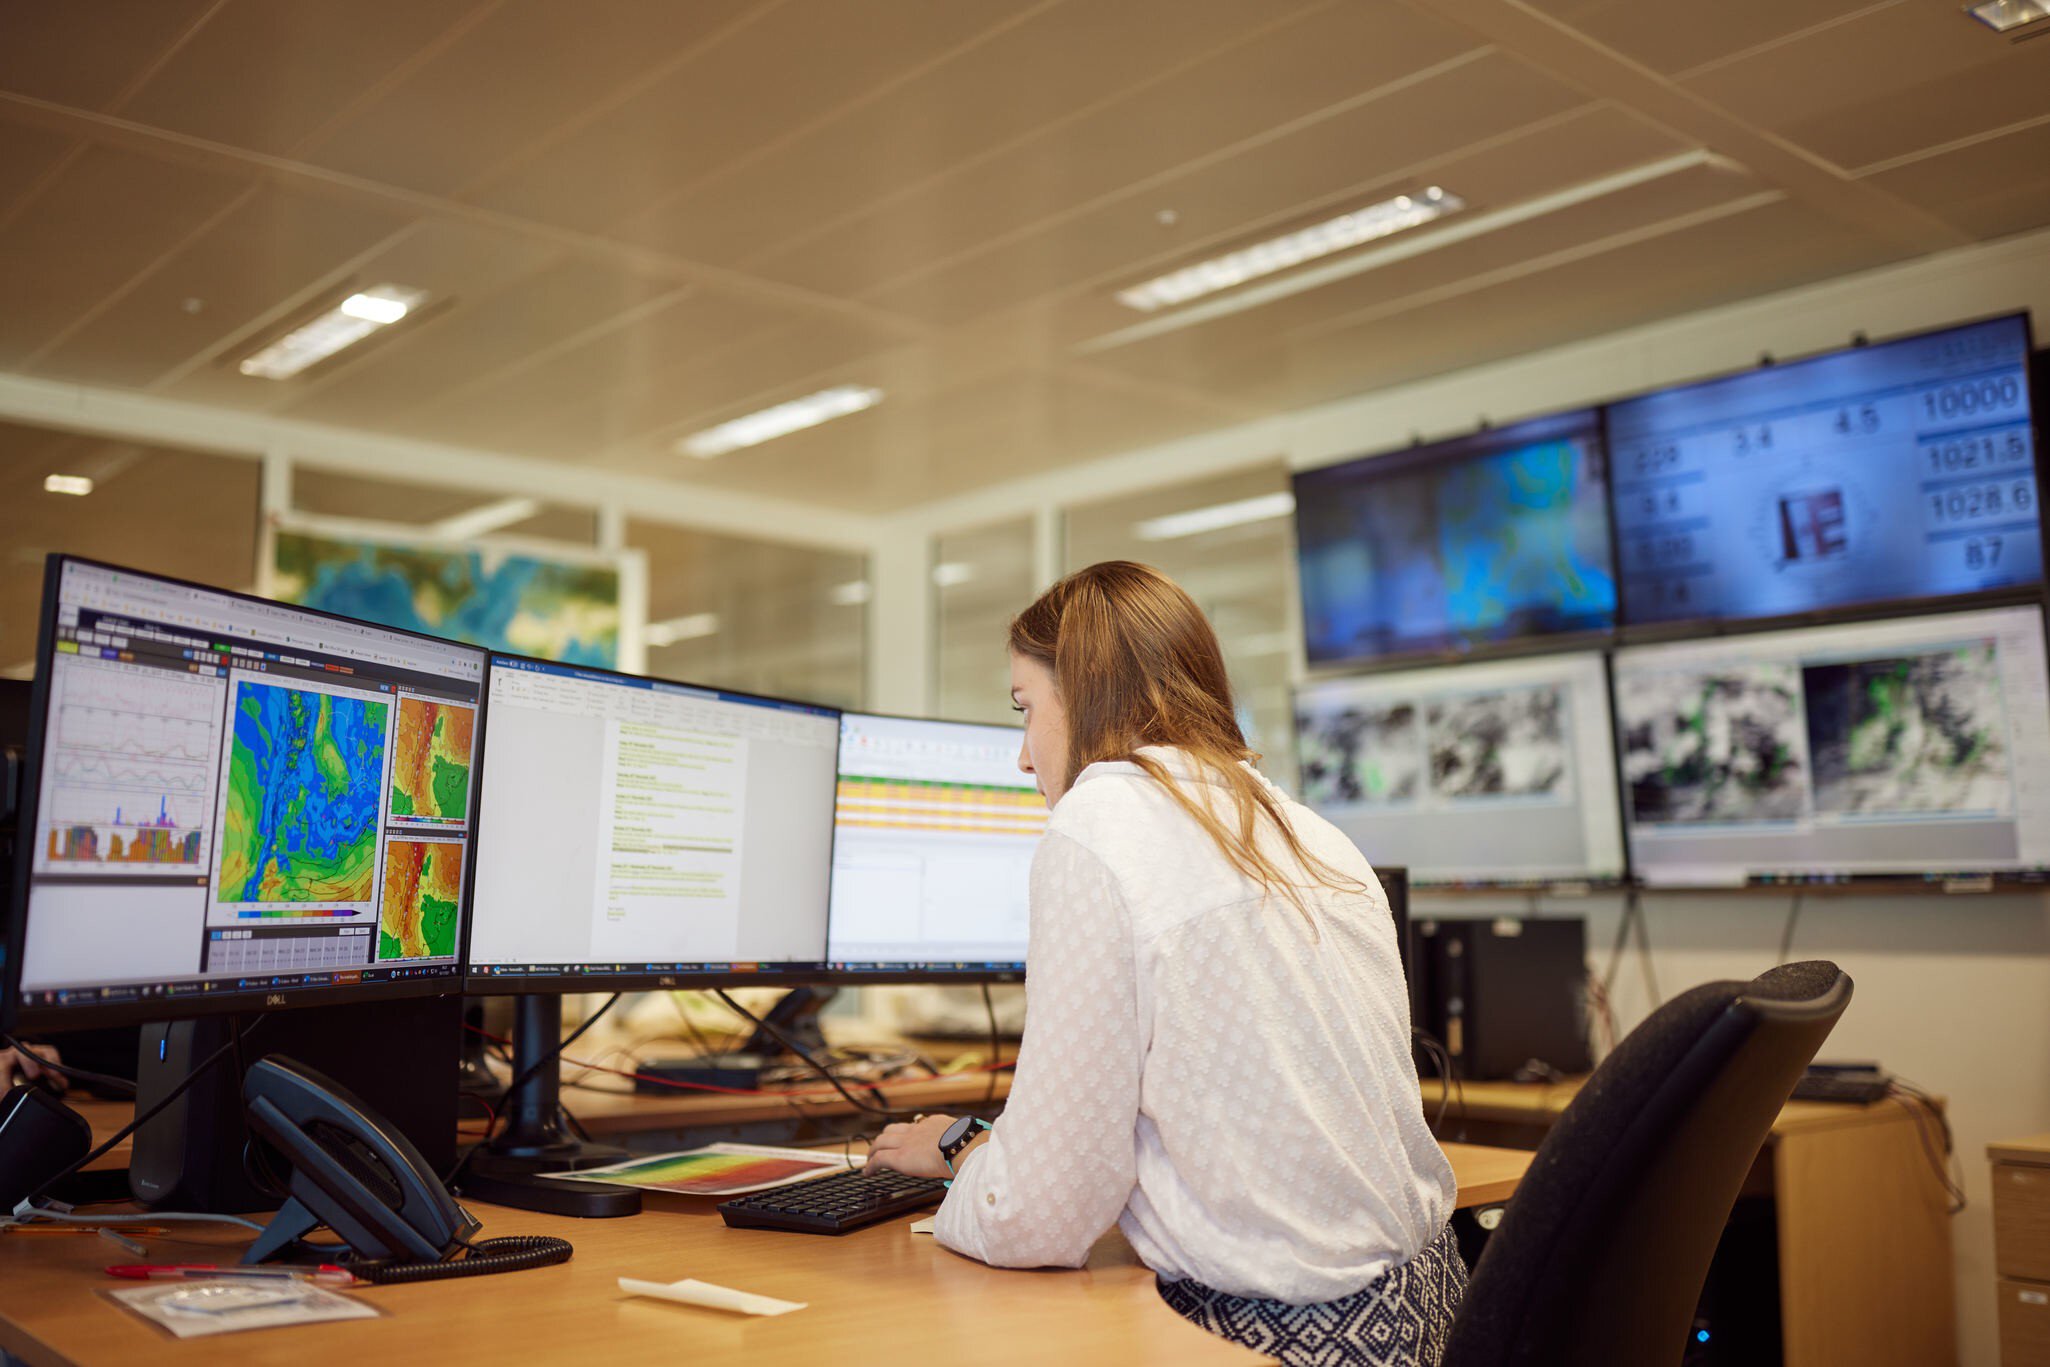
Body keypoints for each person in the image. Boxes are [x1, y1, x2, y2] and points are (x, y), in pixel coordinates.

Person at [868, 561, 1464, 1367]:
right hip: (1432, 1313)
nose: (1022, 755)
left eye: (1025, 708)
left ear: (1083, 693)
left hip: (1274, 1341)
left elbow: (1043, 1215)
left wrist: (958, 1155)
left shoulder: (1099, 820)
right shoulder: (1307, 828)